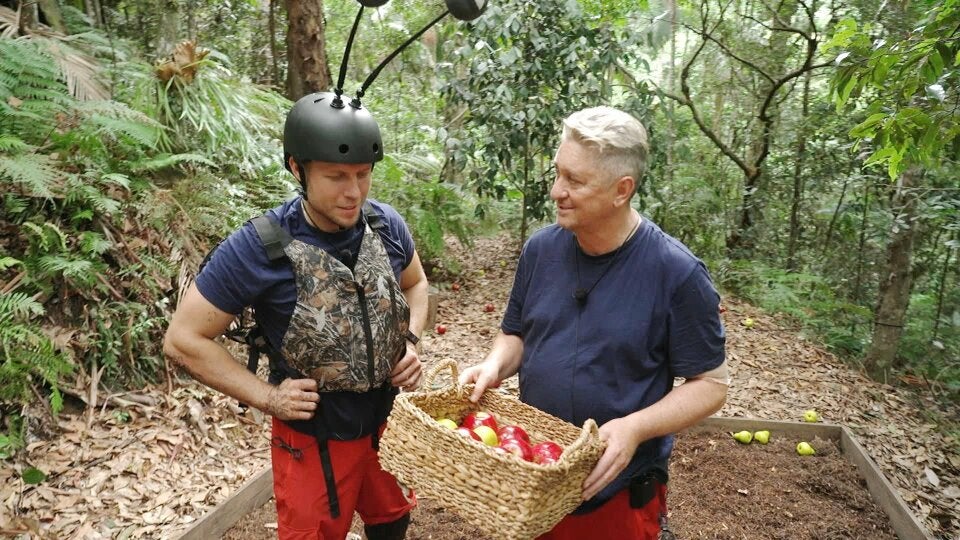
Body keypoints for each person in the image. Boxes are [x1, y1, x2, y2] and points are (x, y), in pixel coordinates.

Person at [163, 92, 428, 540]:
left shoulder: (384, 225)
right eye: (336, 176)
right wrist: (268, 397)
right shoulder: (260, 247)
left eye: (363, 175)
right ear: (296, 168)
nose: (353, 192)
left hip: (388, 420)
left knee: (392, 517)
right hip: (313, 436)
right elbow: (183, 339)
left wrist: (414, 340)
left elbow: (416, 284)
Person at [458, 106, 728, 539]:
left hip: (615, 492)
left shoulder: (676, 272)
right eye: (558, 173)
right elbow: (517, 333)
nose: (555, 191)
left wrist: (634, 427)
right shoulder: (541, 251)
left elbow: (711, 384)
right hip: (535, 473)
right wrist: (494, 365)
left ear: (622, 190)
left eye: (575, 181)